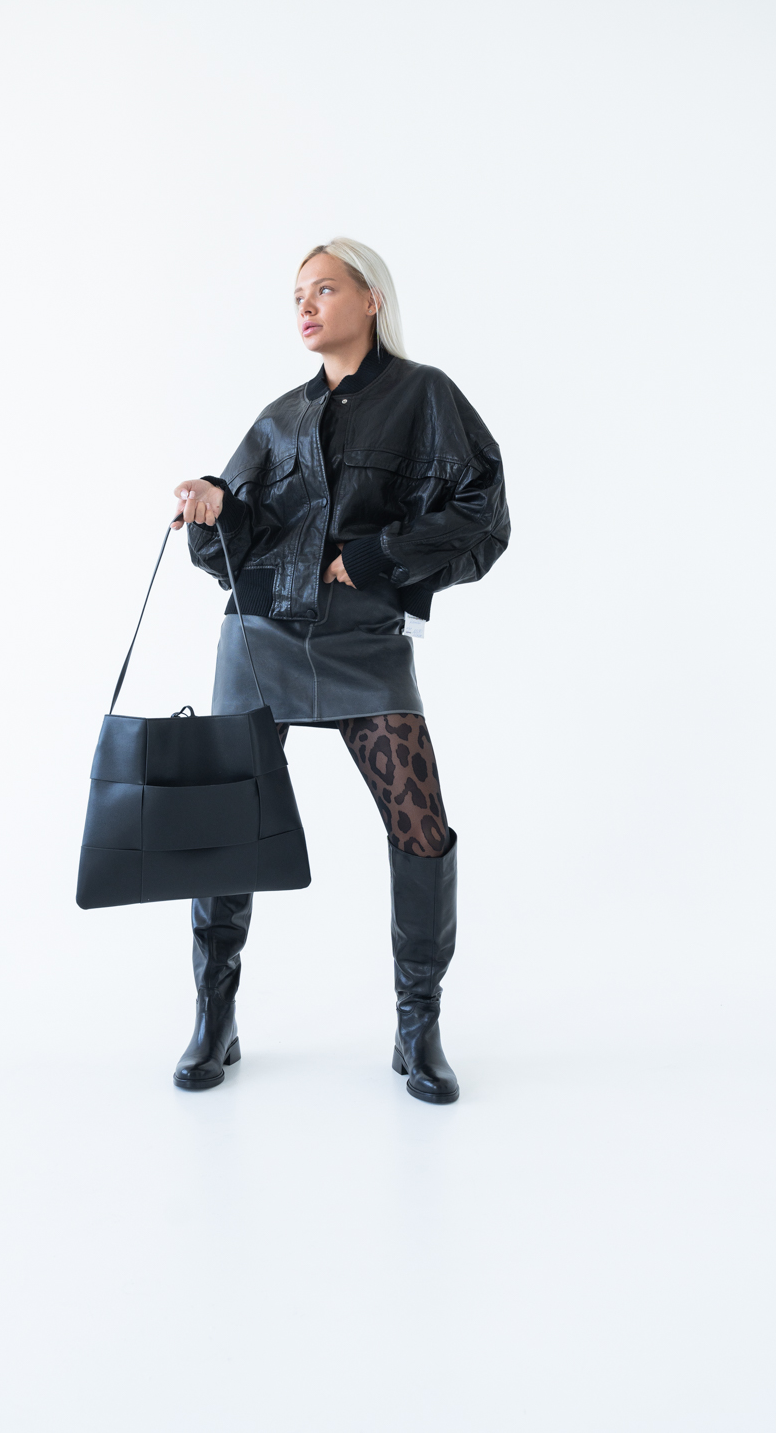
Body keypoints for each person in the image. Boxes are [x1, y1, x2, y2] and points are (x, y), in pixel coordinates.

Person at [170, 238, 510, 1103]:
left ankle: (418, 1026)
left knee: (420, 824)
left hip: (363, 639)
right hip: (260, 640)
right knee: (227, 826)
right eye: (297, 295)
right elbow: (233, 545)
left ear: (371, 299)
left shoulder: (425, 396)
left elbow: (483, 508)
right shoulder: (280, 416)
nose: (306, 306)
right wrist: (212, 504)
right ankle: (214, 1017)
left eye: (324, 289)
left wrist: (376, 556)